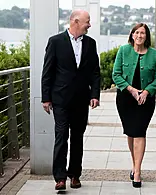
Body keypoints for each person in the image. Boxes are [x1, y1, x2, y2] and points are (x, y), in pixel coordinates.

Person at [41, 10, 100, 190]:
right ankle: (60, 177)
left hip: (81, 100)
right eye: (87, 21)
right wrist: (46, 98)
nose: (89, 25)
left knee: (77, 138)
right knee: (61, 136)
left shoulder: (90, 43)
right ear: (75, 21)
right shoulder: (55, 41)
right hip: (60, 100)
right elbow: (47, 72)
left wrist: (95, 95)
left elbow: (95, 72)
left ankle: (75, 174)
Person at [112, 23, 156, 188]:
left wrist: (147, 91)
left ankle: (138, 172)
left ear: (147, 36)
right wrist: (132, 90)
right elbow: (116, 74)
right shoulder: (123, 51)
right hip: (125, 99)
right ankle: (135, 165)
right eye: (137, 33)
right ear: (132, 35)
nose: (140, 36)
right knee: (131, 132)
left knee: (139, 132)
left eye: (143, 33)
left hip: (145, 100)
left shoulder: (155, 55)